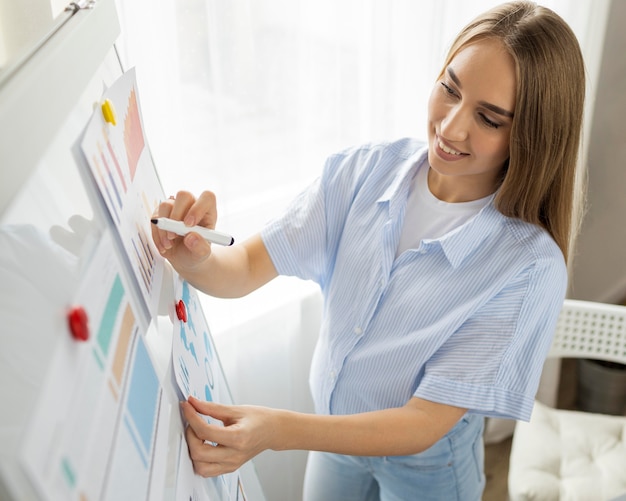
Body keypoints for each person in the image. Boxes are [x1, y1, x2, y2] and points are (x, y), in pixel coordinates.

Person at [152, 2, 586, 499]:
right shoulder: (360, 173)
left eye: (489, 118)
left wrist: (278, 430)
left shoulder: (529, 268)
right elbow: (247, 264)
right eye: (449, 88)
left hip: (428, 466)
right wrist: (195, 257)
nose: (451, 127)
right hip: (333, 442)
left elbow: (423, 421)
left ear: (531, 136)